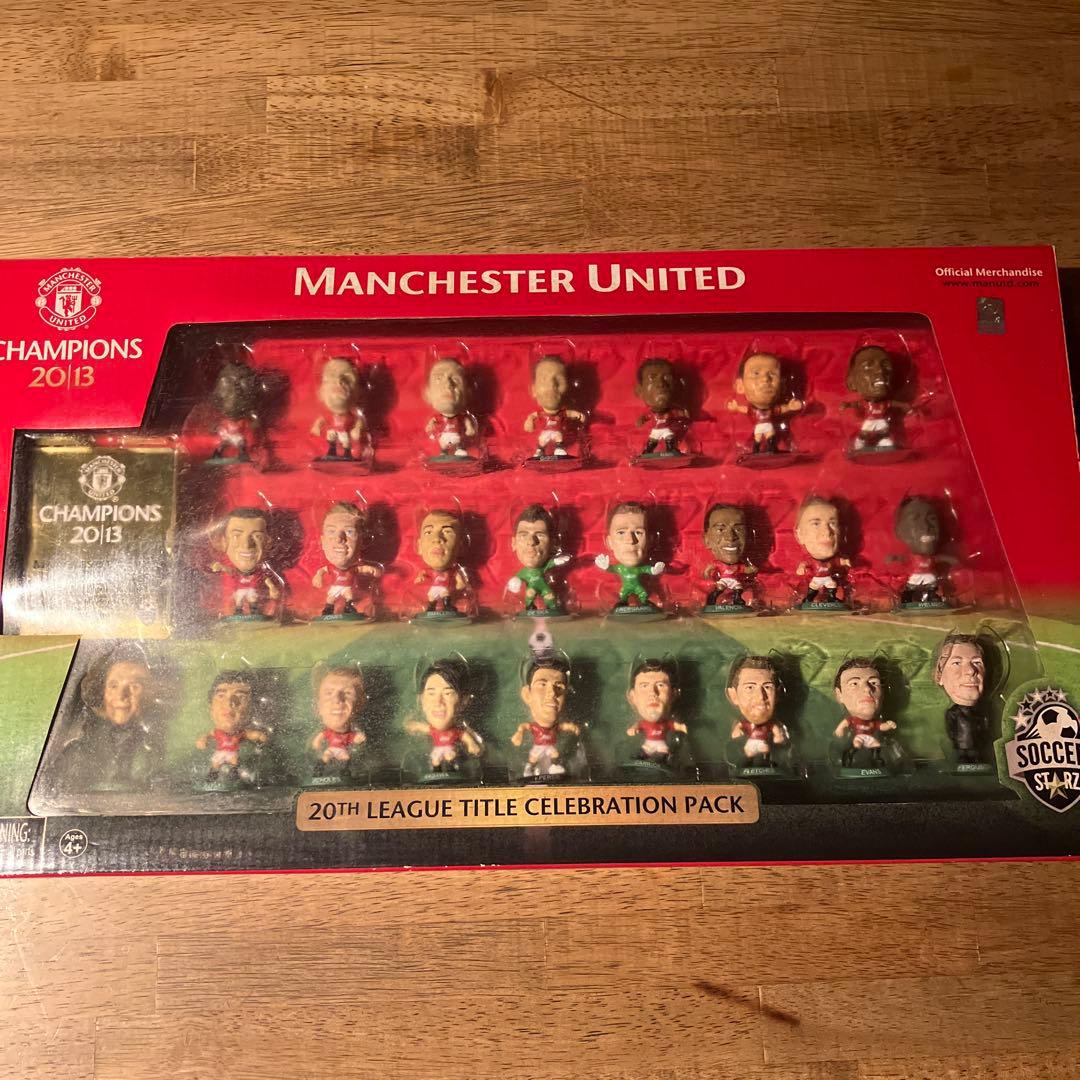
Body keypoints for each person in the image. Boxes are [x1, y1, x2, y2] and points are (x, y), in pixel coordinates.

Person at [511, 656, 580, 777]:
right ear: (527, 695)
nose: (552, 693)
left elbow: (562, 727)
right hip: (538, 747)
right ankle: (529, 768)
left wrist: (571, 727)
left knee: (554, 754)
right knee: (533, 757)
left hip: (549, 747)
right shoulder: (534, 728)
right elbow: (524, 727)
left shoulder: (558, 730)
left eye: (559, 687)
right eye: (542, 684)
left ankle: (554, 766)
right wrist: (519, 733)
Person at [625, 658, 686, 764]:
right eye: (644, 686)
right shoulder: (624, 744)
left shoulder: (682, 742)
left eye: (660, 685)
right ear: (632, 696)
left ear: (673, 694)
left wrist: (681, 727)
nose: (653, 693)